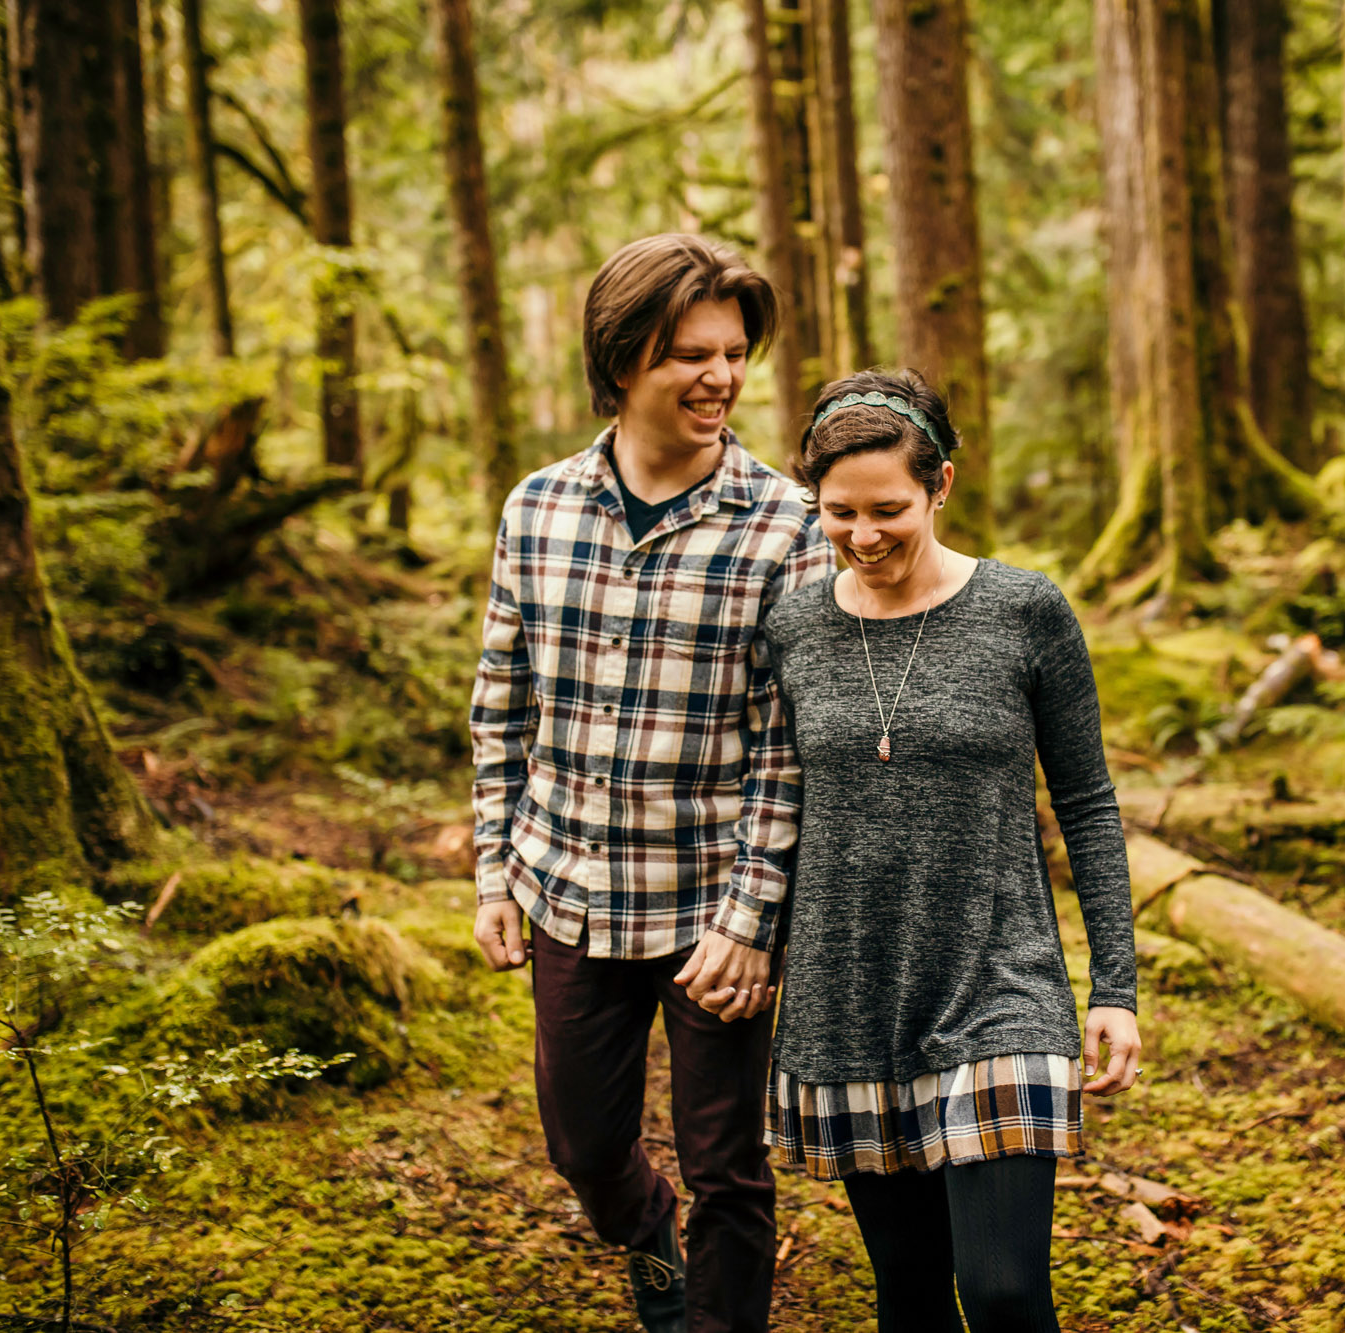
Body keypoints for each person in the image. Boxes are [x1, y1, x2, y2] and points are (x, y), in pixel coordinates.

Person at [468, 234, 831, 1333]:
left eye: (732, 352)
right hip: (566, 886)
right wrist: (493, 870)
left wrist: (752, 922)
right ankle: (643, 1230)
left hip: (709, 907)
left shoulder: (787, 527)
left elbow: (787, 747)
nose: (718, 377)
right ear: (621, 358)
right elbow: (501, 706)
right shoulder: (537, 508)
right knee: (581, 1142)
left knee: (730, 1167)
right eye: (687, 353)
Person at [745, 369, 1143, 1332]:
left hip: (1000, 981)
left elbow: (1087, 802)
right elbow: (769, 804)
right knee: (911, 1297)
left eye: (889, 508)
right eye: (838, 512)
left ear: (942, 486)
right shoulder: (793, 623)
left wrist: (1116, 988)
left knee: (1004, 1292)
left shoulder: (1024, 610)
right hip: (849, 996)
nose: (864, 534)